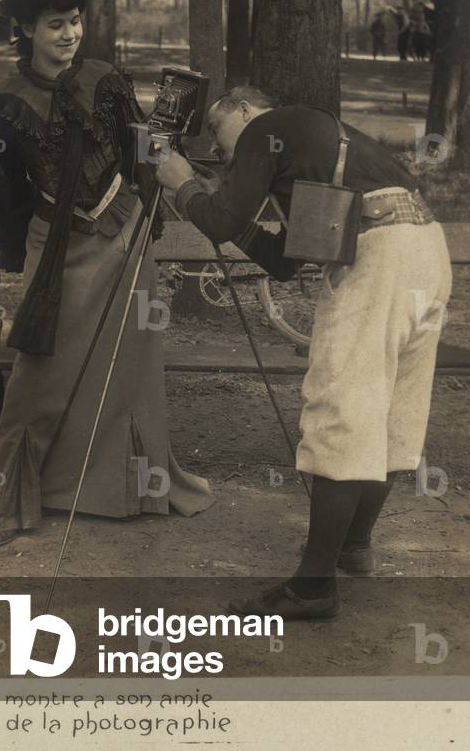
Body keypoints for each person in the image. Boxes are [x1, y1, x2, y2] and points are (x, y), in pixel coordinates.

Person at [155, 87, 452, 620]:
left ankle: (314, 588)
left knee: (339, 411)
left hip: (379, 259)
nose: (227, 159)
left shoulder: (268, 129)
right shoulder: (318, 144)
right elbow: (284, 262)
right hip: (426, 250)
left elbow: (221, 222)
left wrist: (180, 186)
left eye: (223, 143)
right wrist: (211, 198)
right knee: (389, 412)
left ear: (243, 110)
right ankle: (352, 545)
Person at [0, 0, 214, 547]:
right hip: (61, 252)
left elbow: (140, 151)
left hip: (127, 238)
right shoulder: (3, 104)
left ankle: (125, 490)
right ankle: (12, 501)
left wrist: (165, 155)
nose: (70, 34)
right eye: (56, 25)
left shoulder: (105, 78)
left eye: (76, 21)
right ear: (26, 29)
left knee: (128, 367)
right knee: (39, 375)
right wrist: (9, 245)